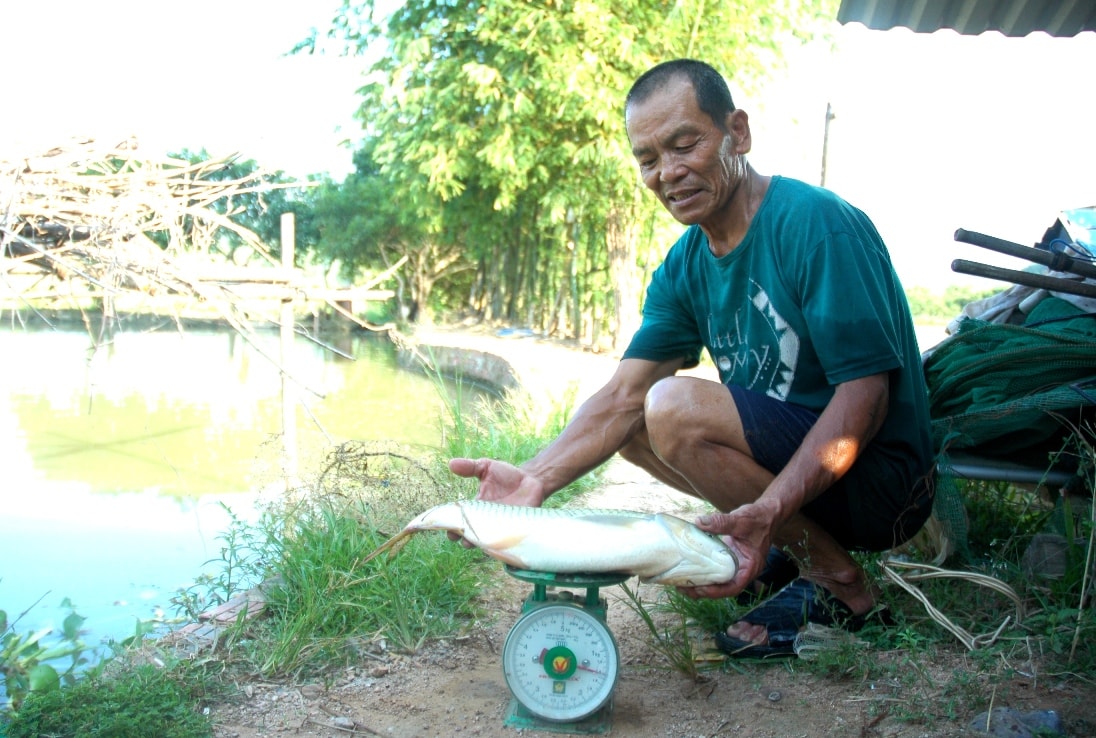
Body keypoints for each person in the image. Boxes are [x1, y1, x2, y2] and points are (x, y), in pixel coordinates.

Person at [449, 59, 934, 657]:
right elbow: (624, 398)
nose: (668, 173)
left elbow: (867, 398)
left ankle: (841, 584)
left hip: (881, 483)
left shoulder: (814, 224)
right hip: (806, 476)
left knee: (672, 407)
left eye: (685, 145)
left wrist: (771, 505)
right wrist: (537, 478)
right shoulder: (685, 265)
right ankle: (786, 551)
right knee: (633, 423)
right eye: (648, 159)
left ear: (738, 133)